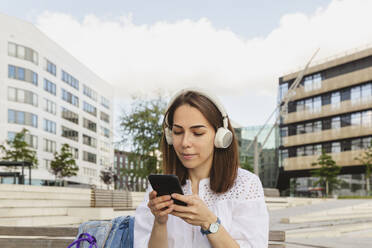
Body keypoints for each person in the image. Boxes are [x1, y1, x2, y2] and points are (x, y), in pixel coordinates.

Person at [134, 88, 269, 248]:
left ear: (220, 137)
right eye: (177, 132)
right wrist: (160, 222)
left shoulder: (246, 184)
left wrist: (208, 221)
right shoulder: (157, 190)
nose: (185, 142)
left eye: (197, 133)